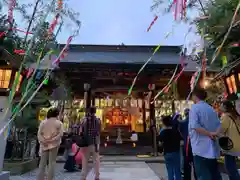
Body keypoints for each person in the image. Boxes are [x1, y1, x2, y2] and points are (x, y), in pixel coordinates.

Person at [189, 87, 222, 180]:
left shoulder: (195, 108)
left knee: (203, 175)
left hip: (200, 148)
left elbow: (195, 126)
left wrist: (208, 133)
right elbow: (219, 125)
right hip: (212, 147)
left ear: (195, 96)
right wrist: (214, 133)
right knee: (214, 174)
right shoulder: (210, 108)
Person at [37, 108, 64, 180]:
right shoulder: (59, 123)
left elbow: (39, 134)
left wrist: (43, 141)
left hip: (44, 144)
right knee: (52, 162)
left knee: (42, 163)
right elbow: (60, 134)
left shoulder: (43, 122)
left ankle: (40, 178)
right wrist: (53, 140)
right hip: (54, 144)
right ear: (57, 114)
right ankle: (49, 178)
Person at [220, 100, 240, 180]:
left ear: (225, 107)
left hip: (230, 146)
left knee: (230, 169)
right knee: (233, 168)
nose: (220, 107)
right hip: (237, 144)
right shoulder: (236, 115)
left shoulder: (226, 116)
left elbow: (221, 130)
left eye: (221, 105)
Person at [80, 106, 101, 180]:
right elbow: (99, 132)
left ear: (89, 111)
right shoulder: (98, 120)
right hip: (95, 143)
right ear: (95, 112)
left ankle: (83, 176)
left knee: (85, 160)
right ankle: (97, 176)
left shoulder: (84, 120)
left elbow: (81, 131)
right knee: (96, 160)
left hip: (86, 143)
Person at [158, 115, 182, 180]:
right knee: (177, 170)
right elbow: (182, 141)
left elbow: (160, 144)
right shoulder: (176, 131)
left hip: (167, 153)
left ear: (164, 123)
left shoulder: (162, 133)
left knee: (170, 171)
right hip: (176, 153)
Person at [179, 108, 196, 180]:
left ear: (185, 114)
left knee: (187, 165)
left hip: (187, 146)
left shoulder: (183, 123)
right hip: (195, 145)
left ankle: (187, 178)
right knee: (196, 164)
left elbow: (180, 133)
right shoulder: (195, 121)